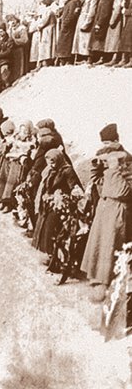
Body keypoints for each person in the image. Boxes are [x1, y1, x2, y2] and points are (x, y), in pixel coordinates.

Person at [82, 124, 132, 290]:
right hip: (105, 204)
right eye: (104, 143)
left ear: (117, 140)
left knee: (111, 241)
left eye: (109, 143)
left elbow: (127, 186)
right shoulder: (104, 157)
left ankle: (106, 279)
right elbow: (97, 179)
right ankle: (96, 274)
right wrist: (97, 169)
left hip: (118, 206)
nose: (106, 146)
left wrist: (114, 170)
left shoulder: (126, 158)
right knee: (99, 240)